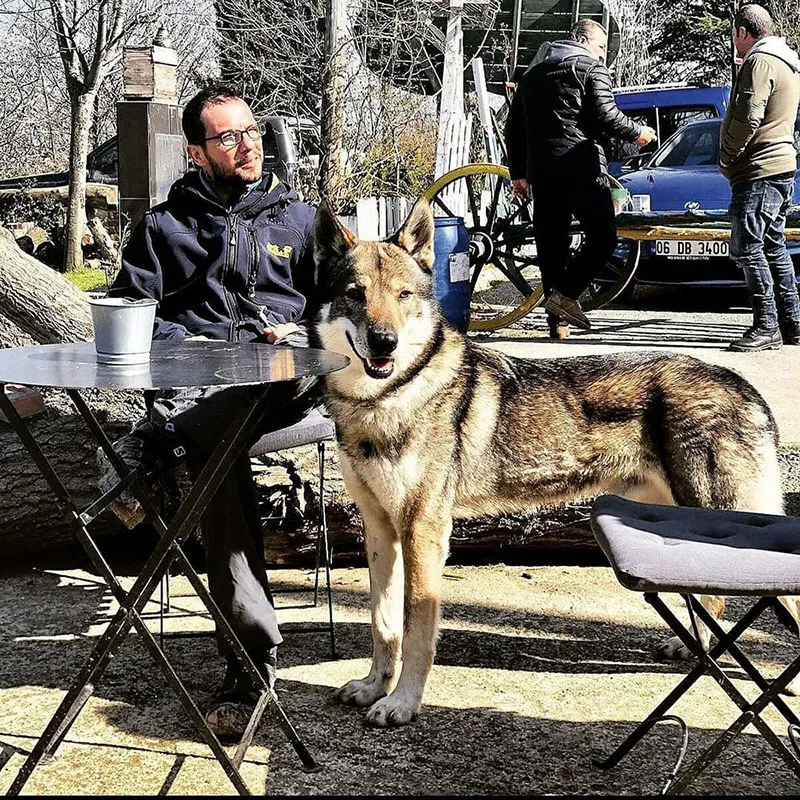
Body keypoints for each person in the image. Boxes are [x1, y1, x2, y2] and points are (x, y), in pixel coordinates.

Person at [99, 83, 321, 741]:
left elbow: (350, 306)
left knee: (211, 424)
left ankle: (152, 453)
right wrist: (185, 345)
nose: (247, 143)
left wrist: (304, 334)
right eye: (227, 137)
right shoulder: (162, 229)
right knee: (219, 457)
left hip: (281, 381)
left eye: (250, 130)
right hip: (196, 388)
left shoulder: (300, 221)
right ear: (198, 152)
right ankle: (249, 669)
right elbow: (129, 315)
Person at [505, 19, 656, 339]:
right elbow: (607, 115)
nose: (604, 55)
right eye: (602, 47)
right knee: (604, 239)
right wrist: (639, 132)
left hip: (543, 174)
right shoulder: (591, 70)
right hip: (583, 168)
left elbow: (514, 129)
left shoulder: (531, 77)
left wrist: (518, 173)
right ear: (585, 41)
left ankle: (557, 325)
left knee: (552, 246)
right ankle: (566, 296)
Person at [720, 3, 800, 352]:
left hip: (759, 169)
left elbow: (749, 115)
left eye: (734, 36)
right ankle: (792, 323)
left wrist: (726, 155)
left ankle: (767, 325)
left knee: (746, 246)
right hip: (781, 165)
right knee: (773, 245)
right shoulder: (788, 61)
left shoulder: (760, 60)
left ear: (742, 32)